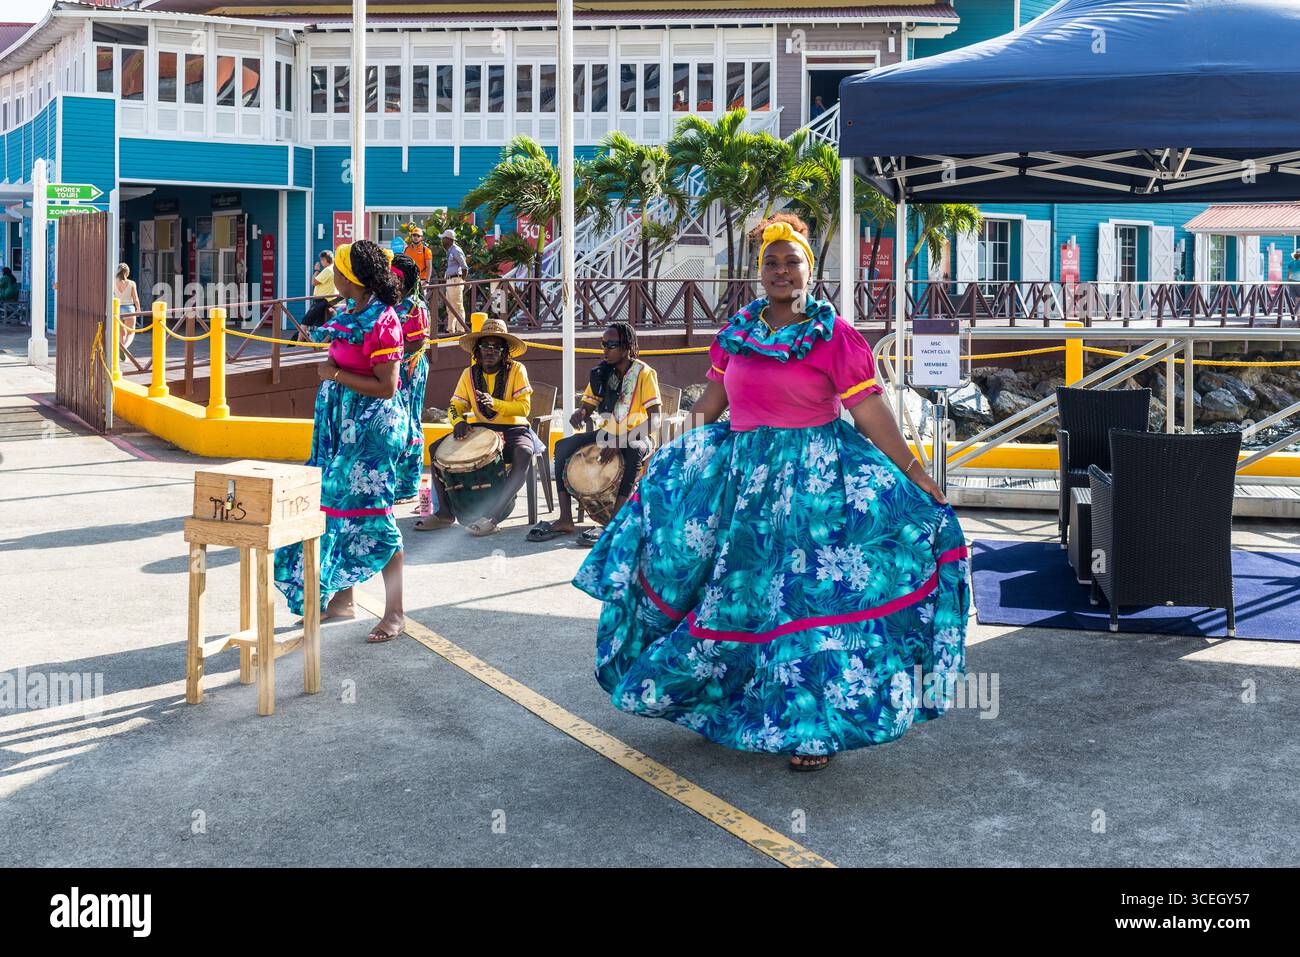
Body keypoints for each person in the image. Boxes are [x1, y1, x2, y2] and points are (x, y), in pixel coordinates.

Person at [573, 213, 969, 772]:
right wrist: (673, 460)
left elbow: (870, 411)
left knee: (803, 600)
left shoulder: (833, 335)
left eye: (793, 261)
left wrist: (914, 470)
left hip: (813, 488)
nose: (781, 270)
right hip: (742, 487)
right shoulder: (738, 332)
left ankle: (812, 729)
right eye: (771, 262)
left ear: (810, 270)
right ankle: (726, 700)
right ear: (759, 271)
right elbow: (709, 407)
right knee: (740, 595)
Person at [273, 239, 408, 644]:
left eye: (341, 274)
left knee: (374, 515)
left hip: (371, 431)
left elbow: (387, 387)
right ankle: (342, 601)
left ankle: (396, 613)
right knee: (332, 509)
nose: (336, 280)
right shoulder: (352, 311)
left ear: (355, 279)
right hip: (340, 425)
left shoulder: (384, 321)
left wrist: (333, 376)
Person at [528, 322, 661, 546]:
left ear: (627, 346)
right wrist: (580, 413)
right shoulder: (601, 372)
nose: (605, 350)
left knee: (633, 452)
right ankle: (565, 518)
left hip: (638, 437)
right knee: (562, 446)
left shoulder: (644, 373)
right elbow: (589, 404)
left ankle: (615, 522)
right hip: (607, 434)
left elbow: (655, 419)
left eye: (611, 345)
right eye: (603, 345)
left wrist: (622, 441)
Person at [415, 317, 535, 536]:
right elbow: (455, 405)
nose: (490, 351)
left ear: (504, 351)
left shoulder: (517, 370)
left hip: (513, 429)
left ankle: (493, 517)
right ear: (477, 350)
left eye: (496, 347)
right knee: (434, 449)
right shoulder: (468, 374)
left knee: (524, 452)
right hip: (480, 429)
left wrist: (495, 403)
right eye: (485, 346)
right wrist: (458, 421)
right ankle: (445, 512)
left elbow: (524, 408)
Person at [390, 254, 431, 504]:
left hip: (410, 368)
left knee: (410, 422)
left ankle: (409, 484)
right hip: (395, 368)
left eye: (395, 277)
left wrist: (390, 350)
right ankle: (396, 481)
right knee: (395, 422)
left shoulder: (415, 305)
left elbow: (418, 341)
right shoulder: (395, 302)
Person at [440, 228, 468, 334]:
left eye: (444, 238)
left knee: (457, 306)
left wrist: (461, 281)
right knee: (450, 306)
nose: (442, 241)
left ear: (449, 239)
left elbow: (465, 267)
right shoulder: (450, 250)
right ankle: (451, 329)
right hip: (450, 280)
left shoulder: (456, 250)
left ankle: (461, 330)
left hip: (456, 280)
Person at [114, 263, 142, 349]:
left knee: (121, 333)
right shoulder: (131, 283)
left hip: (117, 309)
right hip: (129, 309)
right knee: (131, 333)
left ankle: (122, 352)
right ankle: (124, 348)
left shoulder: (113, 282)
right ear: (127, 272)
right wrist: (138, 309)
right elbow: (135, 299)